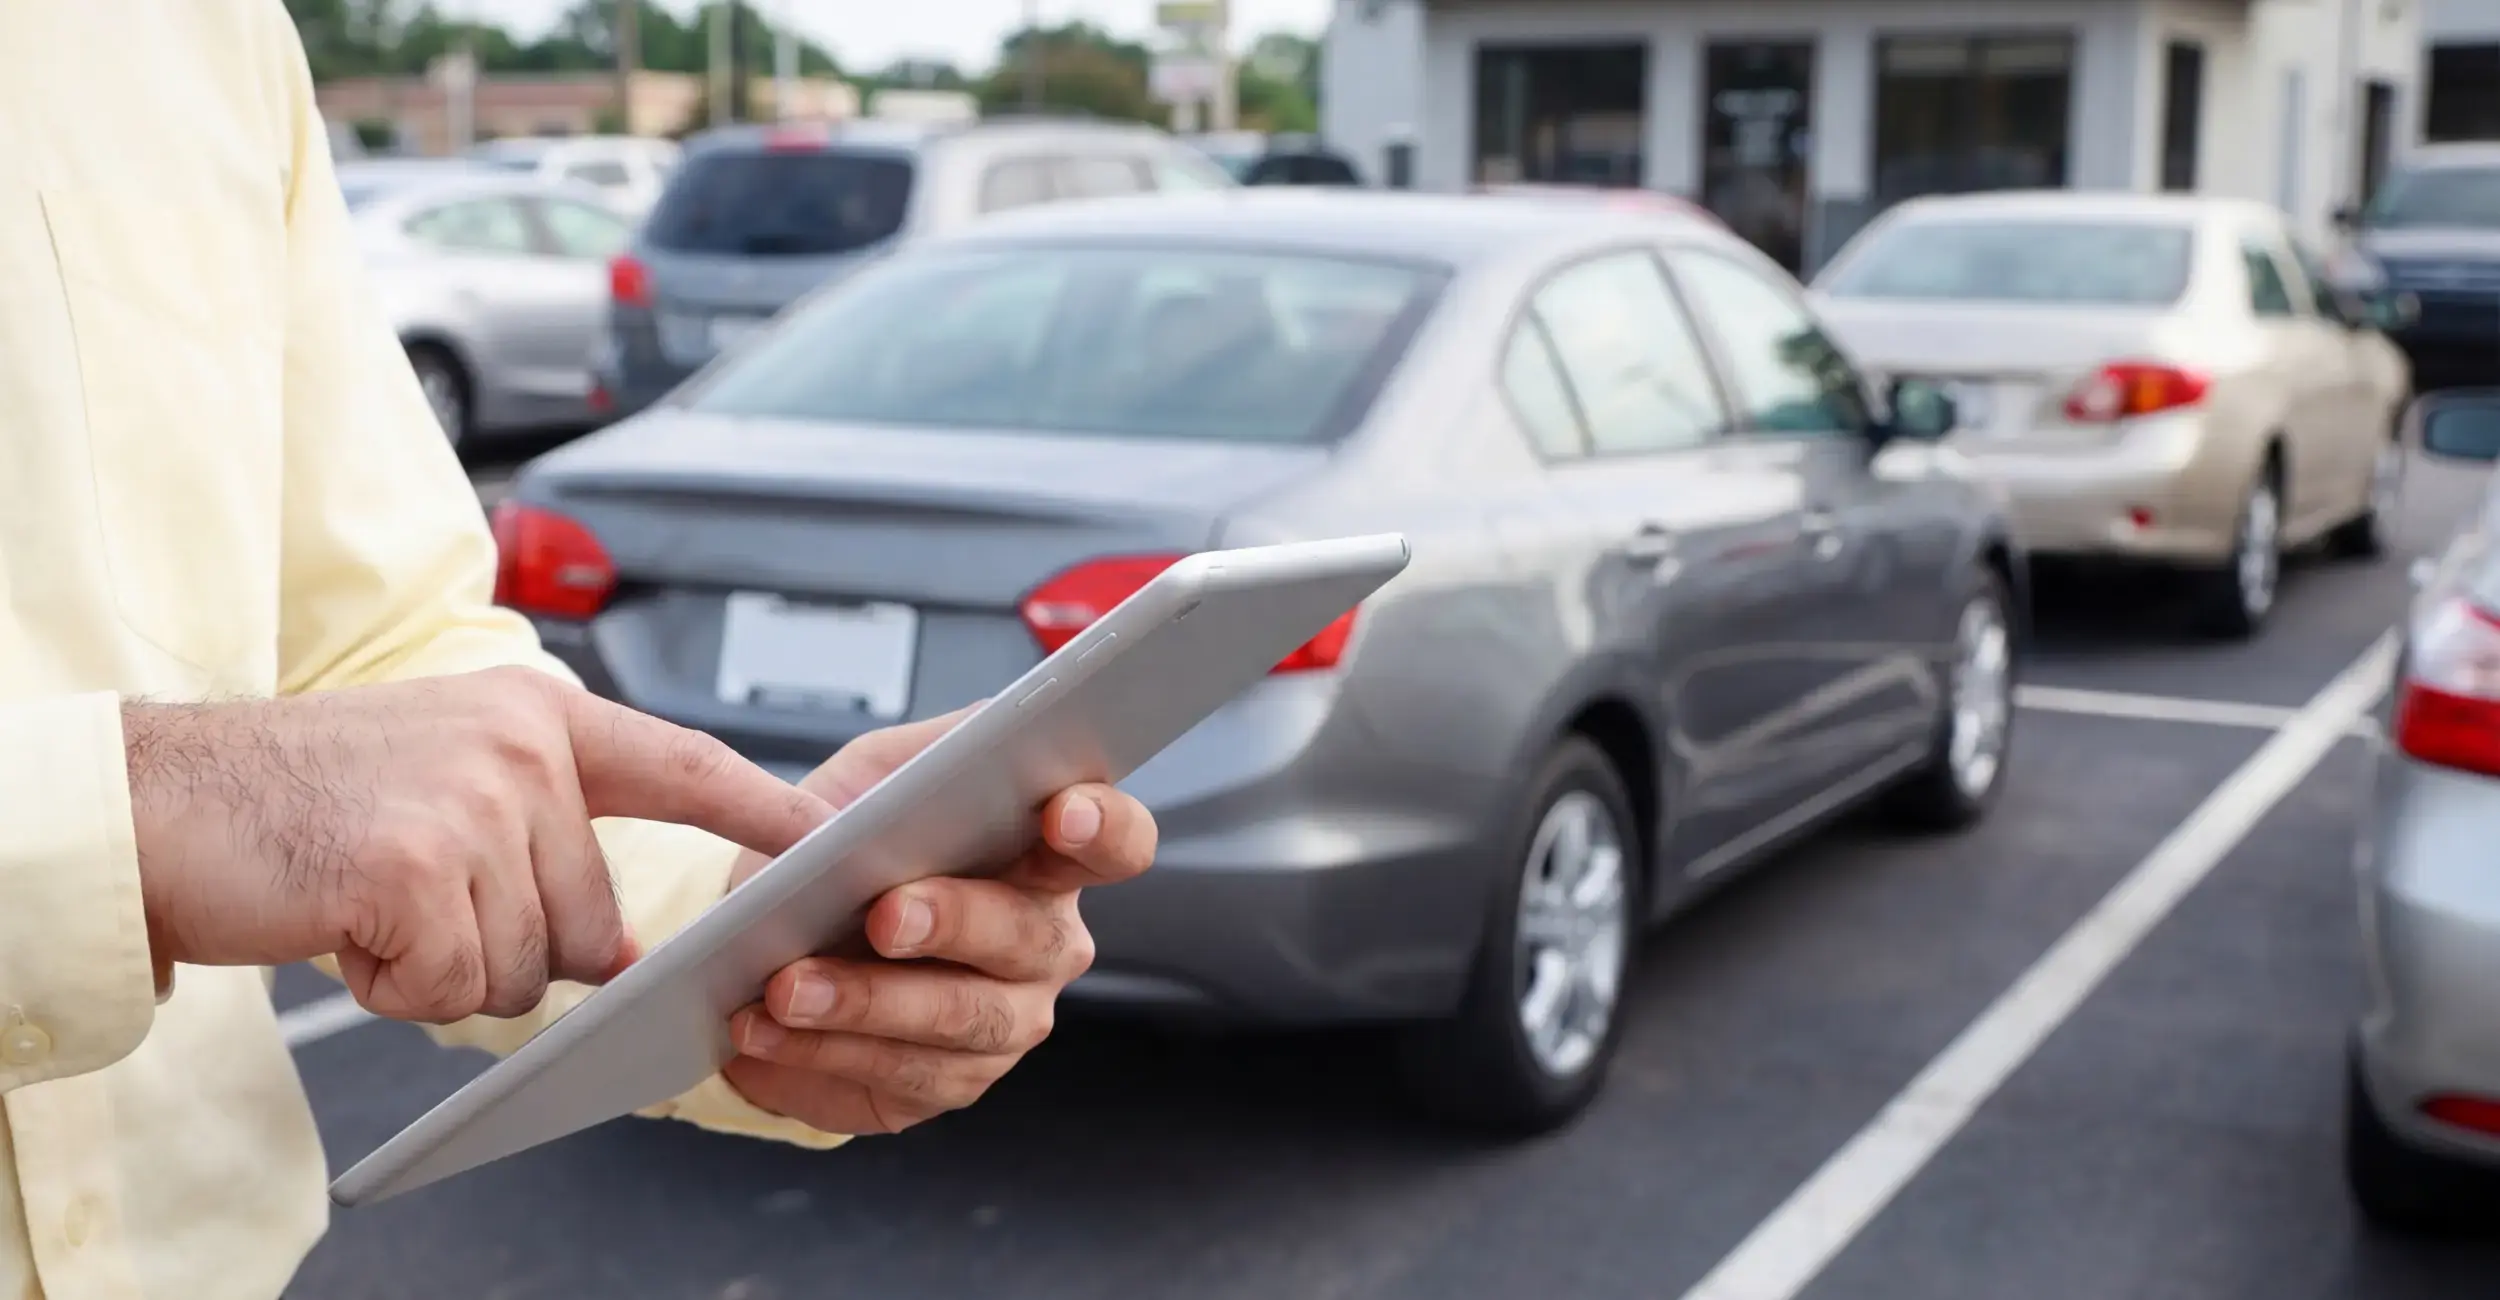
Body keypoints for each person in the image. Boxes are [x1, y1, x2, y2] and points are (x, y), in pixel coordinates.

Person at [0, 5, 1158, 1297]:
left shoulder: (191, 33)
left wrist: (756, 928)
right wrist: (127, 820)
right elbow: (259, 779)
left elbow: (380, 655)